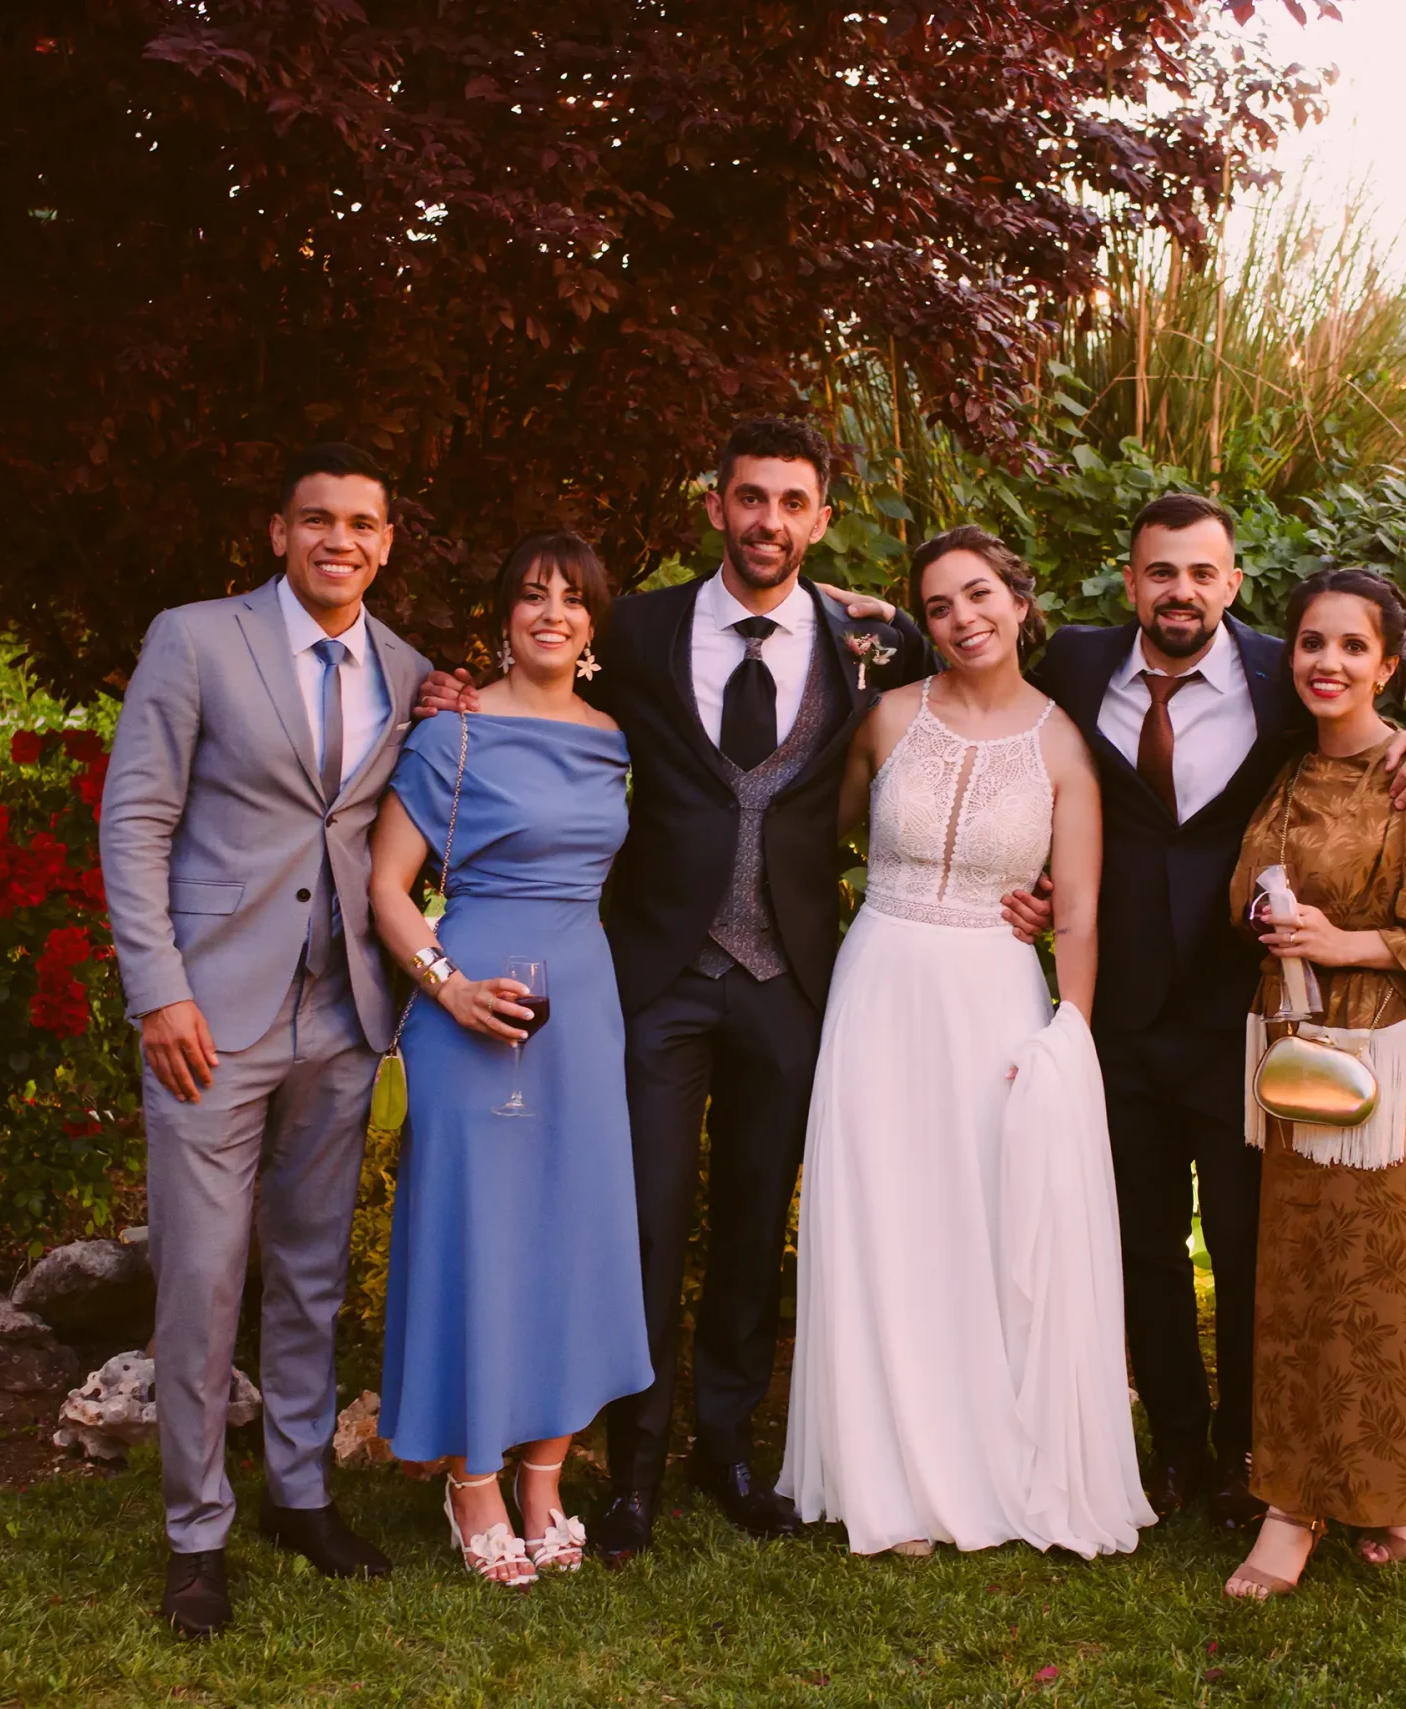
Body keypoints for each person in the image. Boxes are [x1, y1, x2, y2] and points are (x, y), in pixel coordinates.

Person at [417, 417, 936, 1564]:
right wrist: (446, 687)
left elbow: (968, 723)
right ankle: (632, 1467)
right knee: (642, 1222)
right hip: (653, 975)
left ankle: (727, 1447)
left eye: (792, 502)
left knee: (752, 1218)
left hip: (788, 975)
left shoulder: (874, 642)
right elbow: (540, 678)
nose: (768, 521)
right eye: (750, 497)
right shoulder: (639, 628)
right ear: (716, 505)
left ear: (820, 518)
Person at [1014, 493, 1406, 1529]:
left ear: (1232, 582)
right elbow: (979, 693)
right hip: (1119, 1009)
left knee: (1246, 1243)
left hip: (1246, 1013)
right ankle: (1176, 1446)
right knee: (1140, 1243)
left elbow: (1381, 714)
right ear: (1130, 581)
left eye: (1201, 573)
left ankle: (1247, 1450)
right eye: (1160, 572)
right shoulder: (1076, 665)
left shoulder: (1285, 670)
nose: (1180, 591)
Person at [100, 443, 429, 1637]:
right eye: (318, 519)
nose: (340, 539)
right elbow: (135, 816)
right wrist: (158, 990)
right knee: (200, 1276)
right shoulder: (196, 639)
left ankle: (299, 1492)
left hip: (342, 1011)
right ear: (278, 533)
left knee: (310, 1267)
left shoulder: (409, 670)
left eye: (362, 523)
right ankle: (196, 1532)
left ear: (385, 543)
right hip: (210, 1014)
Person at [778, 527, 1155, 1558]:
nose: (962, 617)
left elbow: (1078, 909)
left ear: (1019, 602)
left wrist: (1071, 1030)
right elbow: (815, 837)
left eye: (979, 593)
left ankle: (978, 1457)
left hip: (994, 994)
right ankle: (883, 1470)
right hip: (879, 984)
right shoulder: (885, 718)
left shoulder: (1064, 744)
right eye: (939, 604)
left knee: (977, 1217)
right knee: (881, 1212)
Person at [365, 532, 652, 1587]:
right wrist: (448, 985)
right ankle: (472, 1478)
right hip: (469, 1001)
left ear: (592, 625)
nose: (552, 612)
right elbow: (388, 884)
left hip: (582, 1004)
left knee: (571, 1233)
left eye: (572, 598)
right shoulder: (452, 734)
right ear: (503, 616)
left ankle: (543, 1472)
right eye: (532, 594)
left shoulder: (614, 739)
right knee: (474, 1231)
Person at [1220, 567, 1406, 1598]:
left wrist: (1346, 942)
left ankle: (1392, 1488)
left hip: (1391, 1073)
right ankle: (1291, 1504)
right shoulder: (1291, 772)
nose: (1328, 662)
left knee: (1383, 1287)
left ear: (1389, 665)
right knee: (1297, 1285)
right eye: (1311, 642)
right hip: (1300, 1062)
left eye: (1352, 645)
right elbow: (1246, 887)